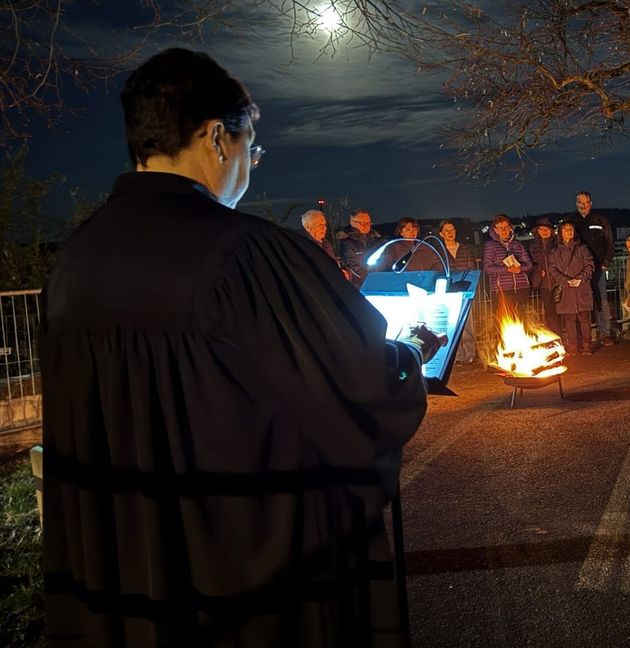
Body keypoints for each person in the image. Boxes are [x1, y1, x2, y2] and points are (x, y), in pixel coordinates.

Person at [40, 48, 441, 647]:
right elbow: (359, 388)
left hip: (126, 585)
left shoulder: (73, 265)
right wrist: (409, 354)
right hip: (248, 594)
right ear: (215, 138)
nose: (250, 165)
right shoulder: (247, 254)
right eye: (251, 149)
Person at [431, 219, 478, 363]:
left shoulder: (465, 249)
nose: (450, 233)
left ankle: (469, 354)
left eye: (452, 230)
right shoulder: (438, 252)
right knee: (452, 325)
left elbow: (472, 268)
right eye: (446, 231)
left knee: (467, 324)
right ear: (441, 234)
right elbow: (436, 271)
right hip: (448, 292)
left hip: (465, 290)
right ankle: (456, 356)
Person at [573, 191, 617, 345]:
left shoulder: (600, 220)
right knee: (580, 304)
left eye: (586, 202)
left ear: (590, 204)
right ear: (576, 203)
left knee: (601, 301)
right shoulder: (571, 221)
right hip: (579, 270)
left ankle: (605, 333)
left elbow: (610, 242)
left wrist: (606, 262)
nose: (583, 205)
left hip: (598, 267)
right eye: (580, 202)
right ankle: (581, 337)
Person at [549, 220, 596, 355]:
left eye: (571, 229)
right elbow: (552, 269)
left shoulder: (582, 248)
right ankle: (573, 346)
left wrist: (580, 278)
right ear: (560, 232)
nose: (569, 231)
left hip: (582, 288)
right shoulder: (555, 251)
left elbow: (590, 265)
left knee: (584, 318)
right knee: (569, 319)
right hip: (566, 289)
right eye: (566, 229)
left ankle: (587, 346)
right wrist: (566, 281)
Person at [482, 213, 534, 310]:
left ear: (510, 228)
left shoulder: (518, 244)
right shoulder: (490, 245)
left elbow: (529, 265)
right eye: (500, 227)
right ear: (495, 229)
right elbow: (487, 268)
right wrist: (507, 269)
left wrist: (520, 269)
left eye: (506, 227)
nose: (504, 230)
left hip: (522, 287)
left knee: (522, 318)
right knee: (504, 318)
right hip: (501, 290)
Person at [527, 216, 562, 334]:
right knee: (550, 312)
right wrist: (537, 272)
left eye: (547, 229)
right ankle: (555, 336)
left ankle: (566, 335)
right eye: (541, 229)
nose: (544, 231)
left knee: (563, 310)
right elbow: (529, 264)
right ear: (537, 231)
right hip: (544, 283)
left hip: (558, 281)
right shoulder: (532, 246)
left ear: (551, 230)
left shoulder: (558, 243)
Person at [336, 209, 384, 287]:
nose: (366, 226)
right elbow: (352, 266)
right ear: (352, 222)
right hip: (358, 286)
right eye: (362, 223)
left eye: (368, 223)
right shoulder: (346, 242)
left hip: (378, 283)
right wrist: (371, 279)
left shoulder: (377, 240)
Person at [371, 217, 438, 272]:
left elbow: (436, 263)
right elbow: (382, 267)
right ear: (401, 232)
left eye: (414, 229)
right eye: (408, 229)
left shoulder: (425, 247)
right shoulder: (393, 248)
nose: (412, 232)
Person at [300, 209, 350, 281]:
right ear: (308, 227)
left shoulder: (326, 243)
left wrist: (345, 271)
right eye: (320, 225)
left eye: (325, 225)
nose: (325, 228)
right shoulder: (304, 247)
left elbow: (334, 262)